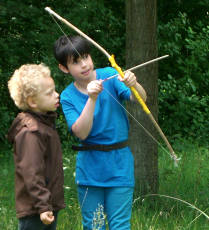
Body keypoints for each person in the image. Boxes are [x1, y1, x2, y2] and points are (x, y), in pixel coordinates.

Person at [53, 35, 147, 230]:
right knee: (94, 226)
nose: (85, 65)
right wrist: (92, 98)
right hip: (89, 169)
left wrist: (133, 84)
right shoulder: (67, 96)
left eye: (86, 57)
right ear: (64, 68)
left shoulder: (109, 75)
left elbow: (140, 99)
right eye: (76, 62)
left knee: (120, 225)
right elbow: (81, 133)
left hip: (120, 164)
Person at [6, 64, 66, 230]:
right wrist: (43, 206)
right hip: (36, 210)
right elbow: (31, 172)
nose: (57, 95)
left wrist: (48, 205)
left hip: (47, 205)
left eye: (54, 90)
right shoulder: (31, 132)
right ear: (32, 102)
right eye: (49, 93)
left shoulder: (45, 124)